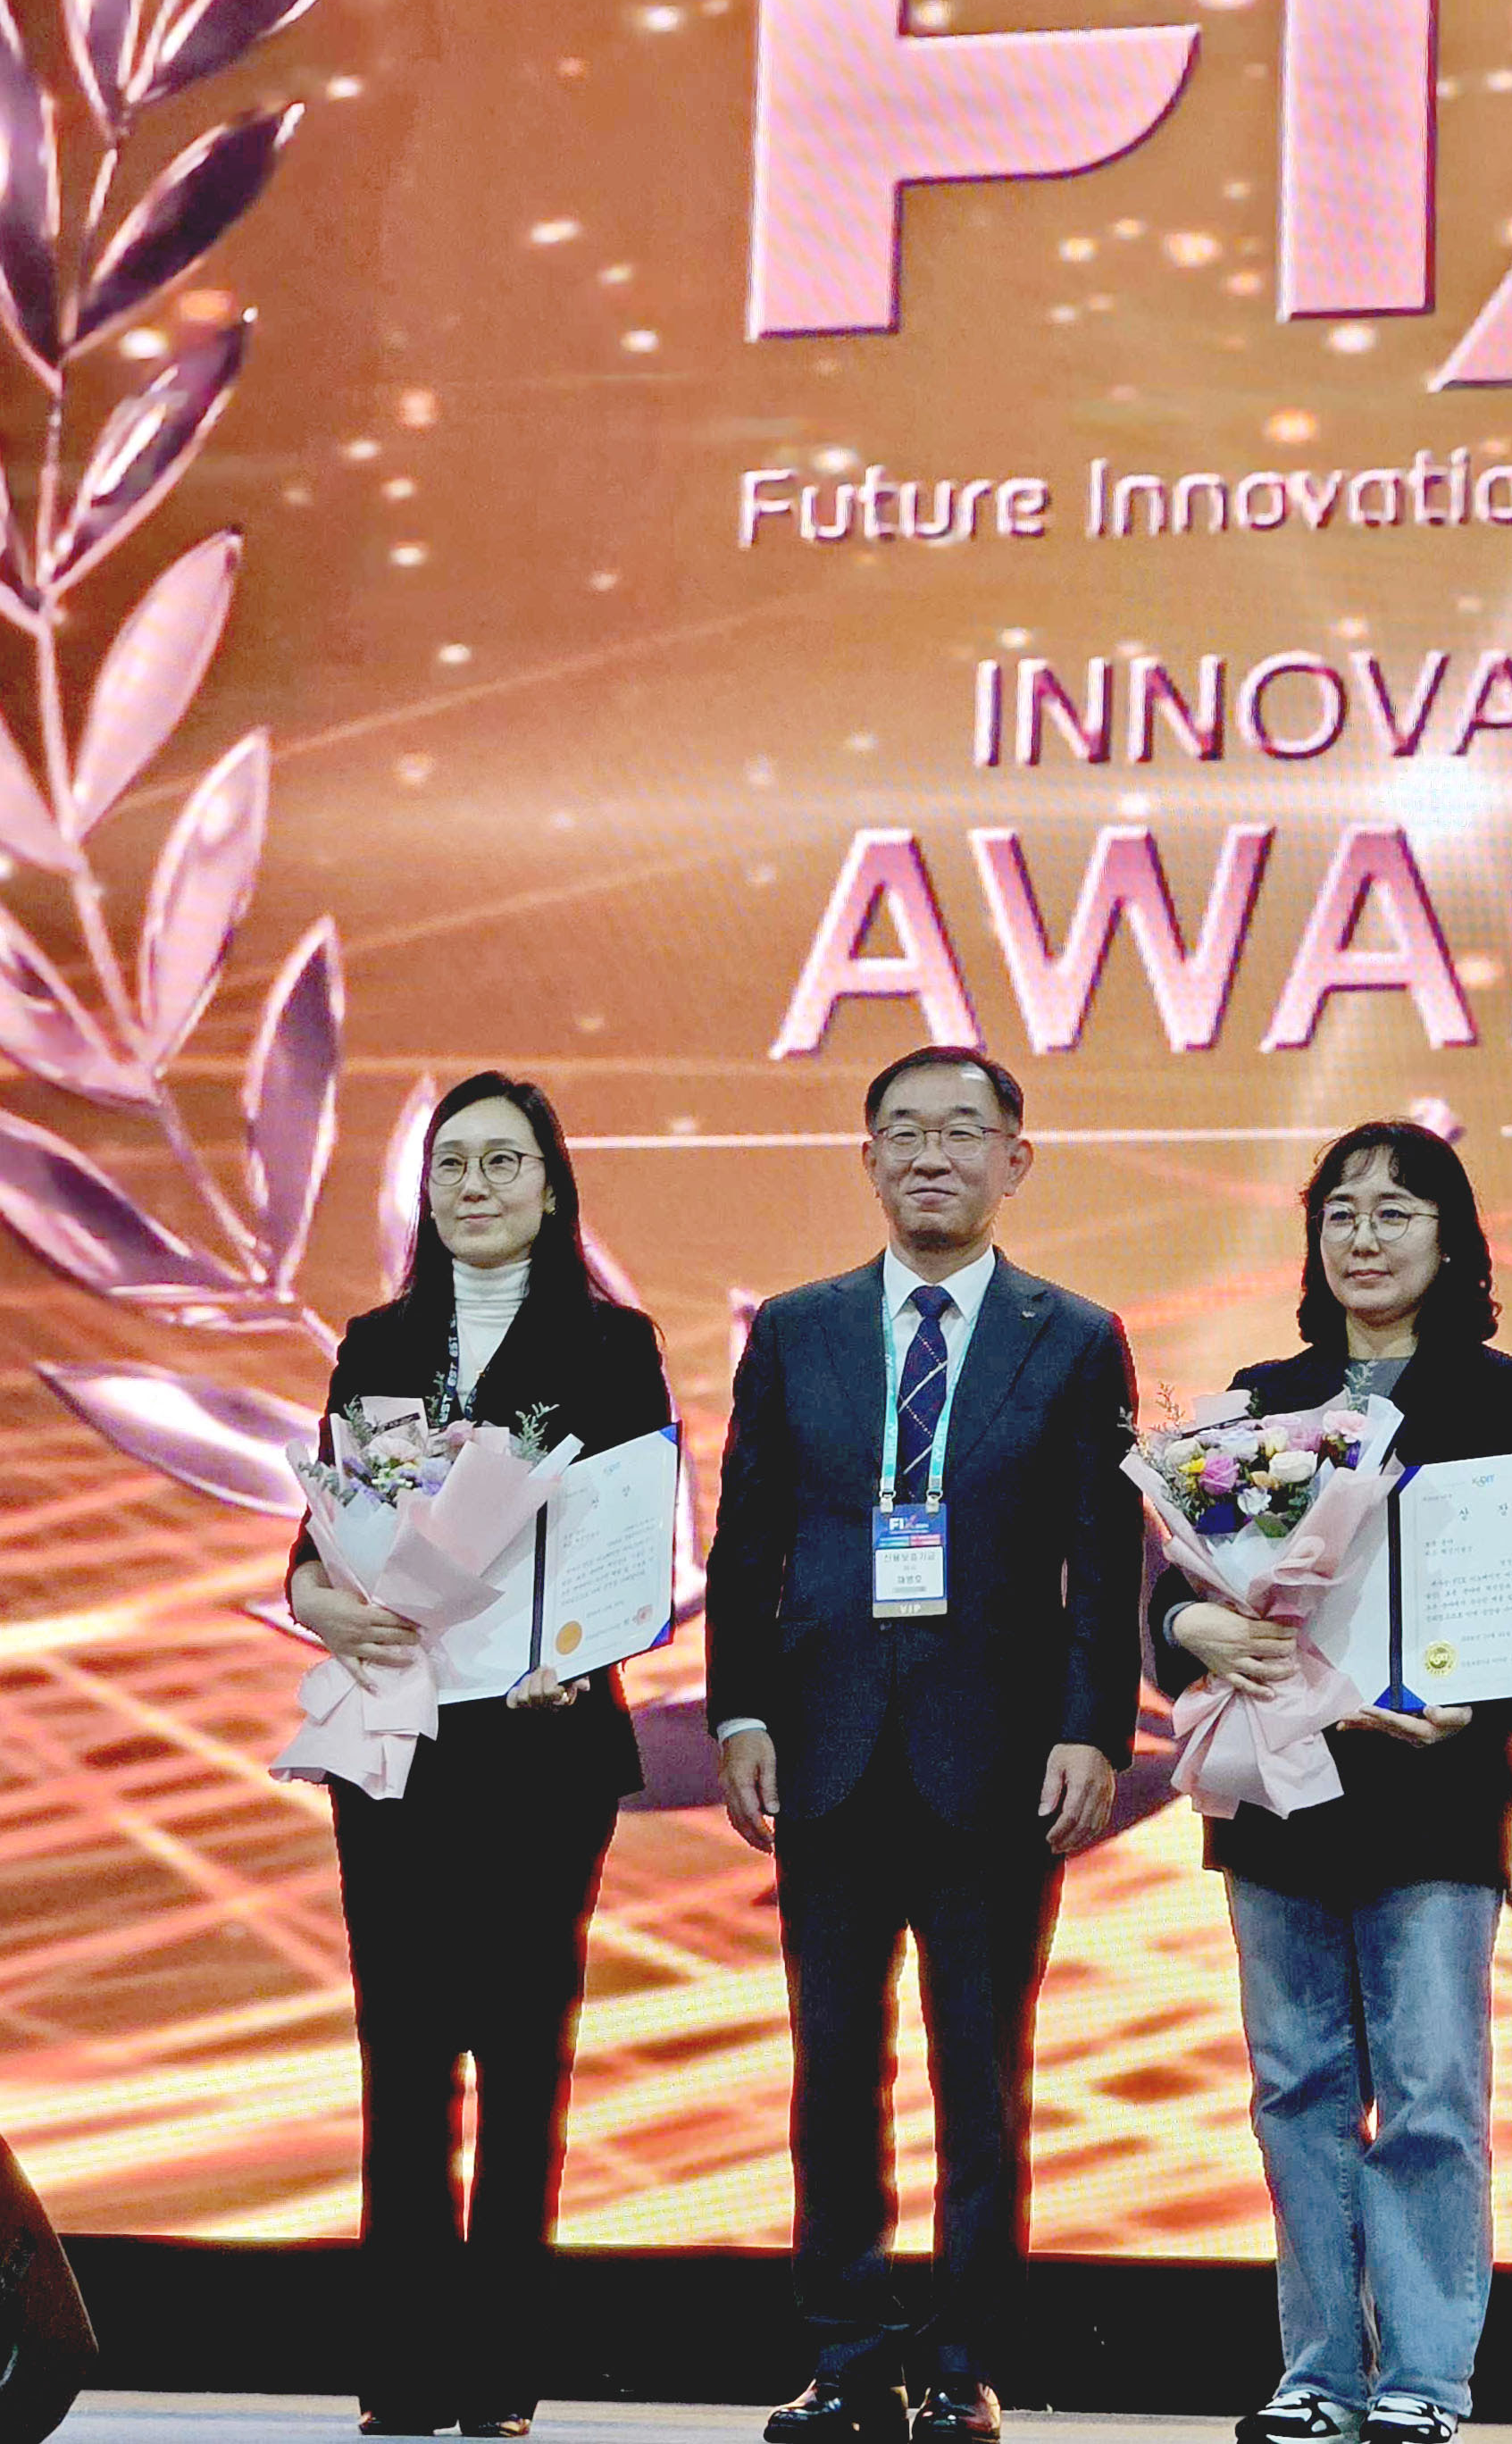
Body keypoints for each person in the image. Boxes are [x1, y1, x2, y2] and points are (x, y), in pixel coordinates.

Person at [704, 1047, 1140, 2444]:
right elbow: (748, 1539)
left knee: (981, 2075)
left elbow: (1102, 1557)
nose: (930, 1155)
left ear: (1016, 1159)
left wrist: (1094, 1730)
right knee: (834, 2067)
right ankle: (847, 2356)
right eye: (902, 1132)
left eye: (962, 1130)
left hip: (998, 1761)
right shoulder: (798, 1329)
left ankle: (963, 2362)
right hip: (827, 1750)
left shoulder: (1077, 1336)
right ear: (869, 1160)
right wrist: (739, 1711)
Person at [1149, 1120, 1512, 2444]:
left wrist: (1480, 1708)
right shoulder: (1261, 1397)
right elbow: (1176, 1587)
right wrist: (1190, 1625)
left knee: (1430, 2094)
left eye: (1396, 1212)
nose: (1364, 1235)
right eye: (1341, 1211)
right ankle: (1319, 2372)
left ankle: (1424, 2380)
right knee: (1294, 2088)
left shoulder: (1503, 1396)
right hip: (1283, 1792)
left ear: (1450, 1242)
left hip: (1431, 1797)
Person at [287, 1071, 670, 2440]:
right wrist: (319, 1602)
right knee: (401, 2054)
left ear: (552, 1187)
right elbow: (315, 1542)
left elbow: (632, 1534)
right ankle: (404, 2370)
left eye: (505, 1161)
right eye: (453, 1161)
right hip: (397, 1738)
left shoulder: (610, 1345)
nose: (476, 1185)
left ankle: (498, 2372)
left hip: (539, 1744)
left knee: (519, 2053)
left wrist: (585, 1642)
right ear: (426, 1187)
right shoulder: (377, 1342)